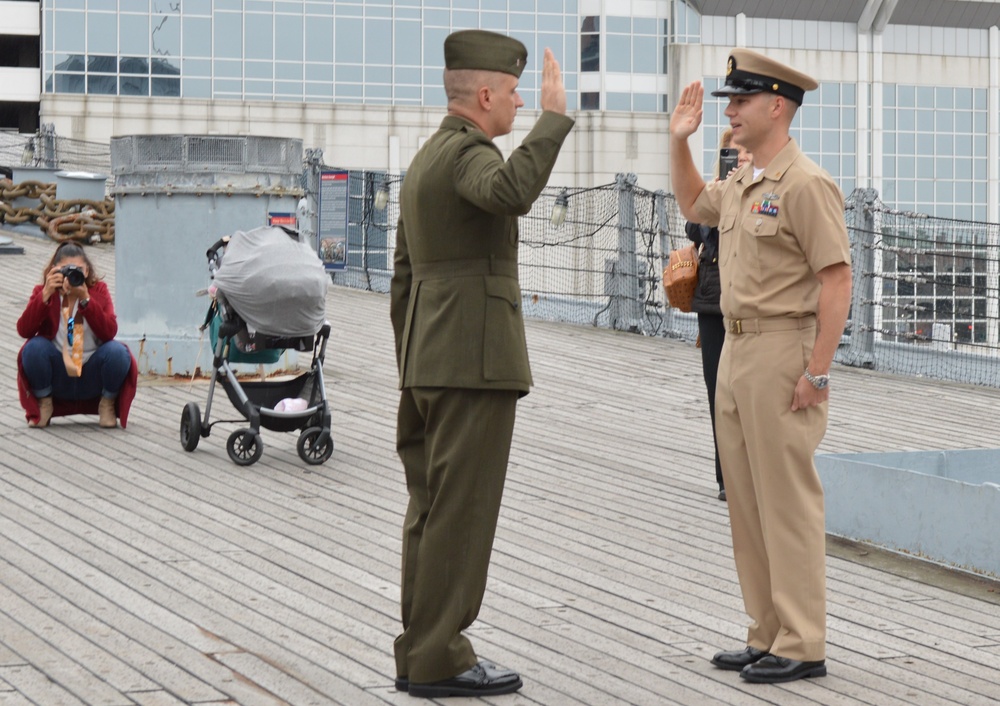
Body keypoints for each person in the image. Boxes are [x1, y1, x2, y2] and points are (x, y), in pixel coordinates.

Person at [389, 29, 574, 698]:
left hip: (430, 359)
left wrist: (412, 361)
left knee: (430, 511)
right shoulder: (466, 155)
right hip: (473, 362)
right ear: (486, 93)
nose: (523, 103)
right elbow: (508, 192)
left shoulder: (423, 161)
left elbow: (403, 278)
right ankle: (440, 656)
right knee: (461, 515)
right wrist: (555, 122)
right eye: (518, 93)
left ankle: (421, 651)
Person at [669, 48, 852, 684]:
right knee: (745, 500)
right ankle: (766, 630)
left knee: (788, 501)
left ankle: (803, 641)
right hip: (737, 349)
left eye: (741, 102)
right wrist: (679, 143)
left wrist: (819, 371)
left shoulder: (807, 185)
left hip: (783, 351)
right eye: (729, 102)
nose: (731, 112)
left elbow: (836, 279)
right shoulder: (746, 183)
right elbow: (694, 203)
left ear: (777, 105)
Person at [686, 130, 752, 502]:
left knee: (747, 390)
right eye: (732, 153)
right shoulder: (714, 192)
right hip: (712, 303)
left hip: (748, 303)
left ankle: (751, 472)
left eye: (744, 153)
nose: (739, 159)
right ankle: (726, 477)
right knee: (718, 391)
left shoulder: (761, 194)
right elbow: (693, 224)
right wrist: (719, 191)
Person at [17, 241, 138, 429]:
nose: (71, 275)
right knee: (33, 348)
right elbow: (24, 330)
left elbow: (109, 332)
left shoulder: (98, 291)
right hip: (59, 372)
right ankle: (45, 403)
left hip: (91, 371)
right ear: (53, 270)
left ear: (87, 272)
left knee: (118, 352)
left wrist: (86, 300)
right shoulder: (43, 292)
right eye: (65, 269)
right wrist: (46, 294)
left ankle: (107, 404)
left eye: (78, 270)